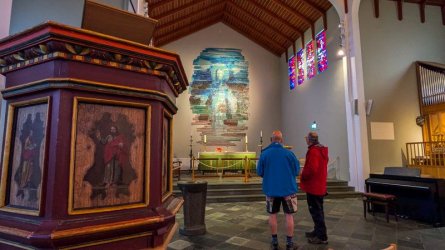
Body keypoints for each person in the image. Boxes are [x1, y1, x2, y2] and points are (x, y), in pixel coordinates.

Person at [257, 130, 300, 250]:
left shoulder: (264, 154)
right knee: (289, 216)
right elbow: (297, 171)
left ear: (271, 140)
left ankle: (275, 242)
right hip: (288, 190)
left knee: (272, 215)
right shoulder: (289, 154)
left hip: (271, 189)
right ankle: (289, 243)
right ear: (281, 140)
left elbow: (259, 172)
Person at [300, 131, 328, 244]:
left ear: (310, 140)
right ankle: (317, 231)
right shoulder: (321, 150)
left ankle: (322, 237)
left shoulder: (314, 151)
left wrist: (303, 175)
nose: (305, 139)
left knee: (316, 211)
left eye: (306, 137)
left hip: (314, 186)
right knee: (318, 211)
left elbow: (312, 169)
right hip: (319, 185)